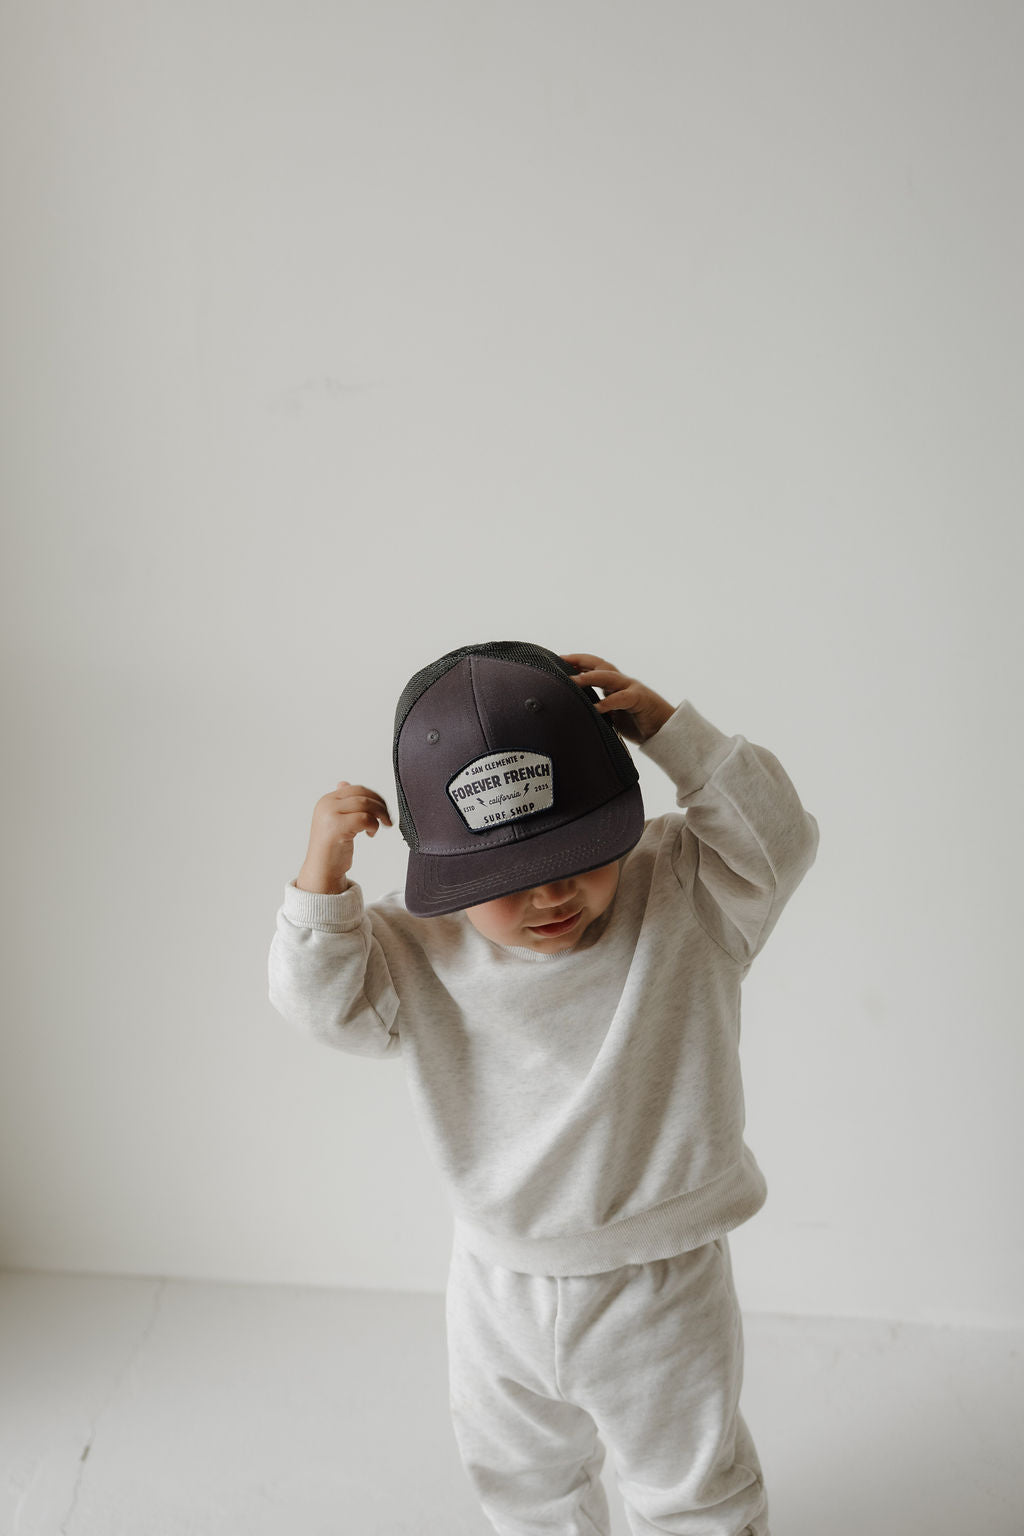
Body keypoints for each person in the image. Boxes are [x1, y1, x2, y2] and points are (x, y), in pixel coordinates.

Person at [268, 640, 819, 1536]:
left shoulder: (685, 892)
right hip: (496, 1286)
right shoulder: (418, 946)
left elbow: (780, 838)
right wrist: (320, 880)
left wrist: (675, 734)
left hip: (659, 1283)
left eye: (579, 853)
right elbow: (323, 1009)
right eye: (506, 880)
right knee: (524, 1491)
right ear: (445, 870)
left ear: (619, 814)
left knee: (693, 1493)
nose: (551, 894)